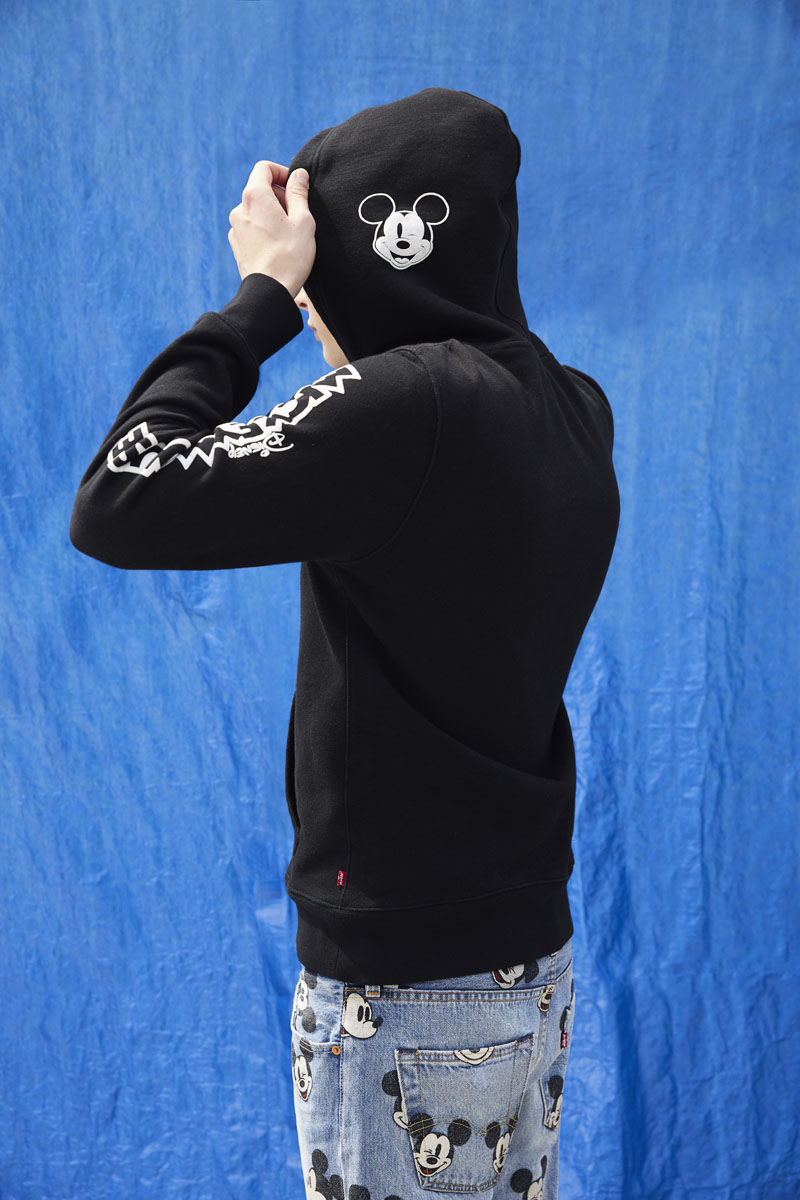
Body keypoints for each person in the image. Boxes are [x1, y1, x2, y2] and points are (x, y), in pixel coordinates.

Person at [70, 87, 620, 1197]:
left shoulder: (410, 408)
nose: (321, 320)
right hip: (525, 959)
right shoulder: (570, 406)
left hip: (406, 988)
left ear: (372, 263)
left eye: (328, 276)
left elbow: (119, 497)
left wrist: (260, 300)